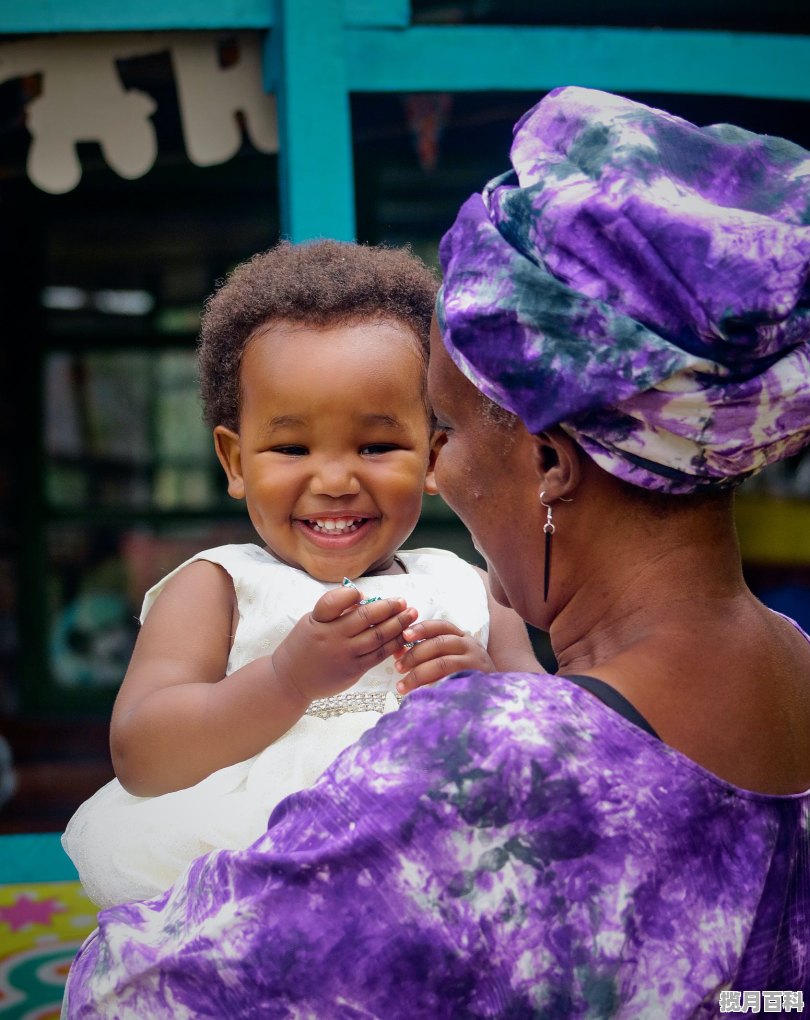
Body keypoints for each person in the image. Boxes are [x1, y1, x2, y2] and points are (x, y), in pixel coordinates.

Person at [63, 87, 810, 1018]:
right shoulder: (797, 671)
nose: (431, 478)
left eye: (436, 435)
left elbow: (128, 999)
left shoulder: (489, 761)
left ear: (547, 458)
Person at [61, 239, 539, 909]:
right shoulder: (219, 587)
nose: (337, 480)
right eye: (291, 447)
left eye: (376, 445)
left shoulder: (468, 587)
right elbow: (142, 755)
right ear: (234, 461)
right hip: (261, 896)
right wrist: (288, 679)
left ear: (433, 454)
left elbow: (561, 733)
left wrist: (487, 691)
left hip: (441, 892)